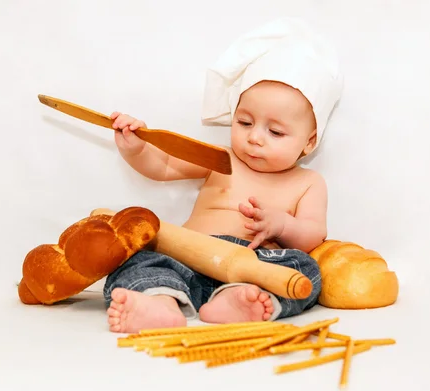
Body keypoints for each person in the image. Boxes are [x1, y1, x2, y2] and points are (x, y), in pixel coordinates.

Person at [103, 18, 344, 333]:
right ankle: (159, 302)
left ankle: (237, 301)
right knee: (139, 255)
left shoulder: (308, 183)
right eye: (244, 122)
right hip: (189, 253)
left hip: (251, 266)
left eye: (275, 131)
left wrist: (281, 225)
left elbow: (314, 234)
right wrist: (136, 148)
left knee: (305, 271)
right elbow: (162, 166)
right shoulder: (220, 158)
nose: (255, 137)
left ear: (309, 142)